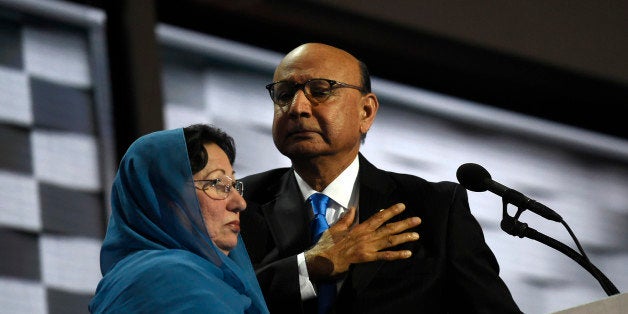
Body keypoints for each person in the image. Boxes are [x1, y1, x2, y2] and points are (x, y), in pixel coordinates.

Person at [239, 43, 522, 313]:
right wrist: (309, 266)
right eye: (285, 94)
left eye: (320, 90)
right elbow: (213, 298)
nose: (297, 107)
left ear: (366, 111)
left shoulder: (435, 208)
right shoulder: (239, 203)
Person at [89, 124, 269, 313]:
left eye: (234, 185)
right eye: (218, 184)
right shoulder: (174, 281)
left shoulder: (131, 280)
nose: (240, 203)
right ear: (164, 196)